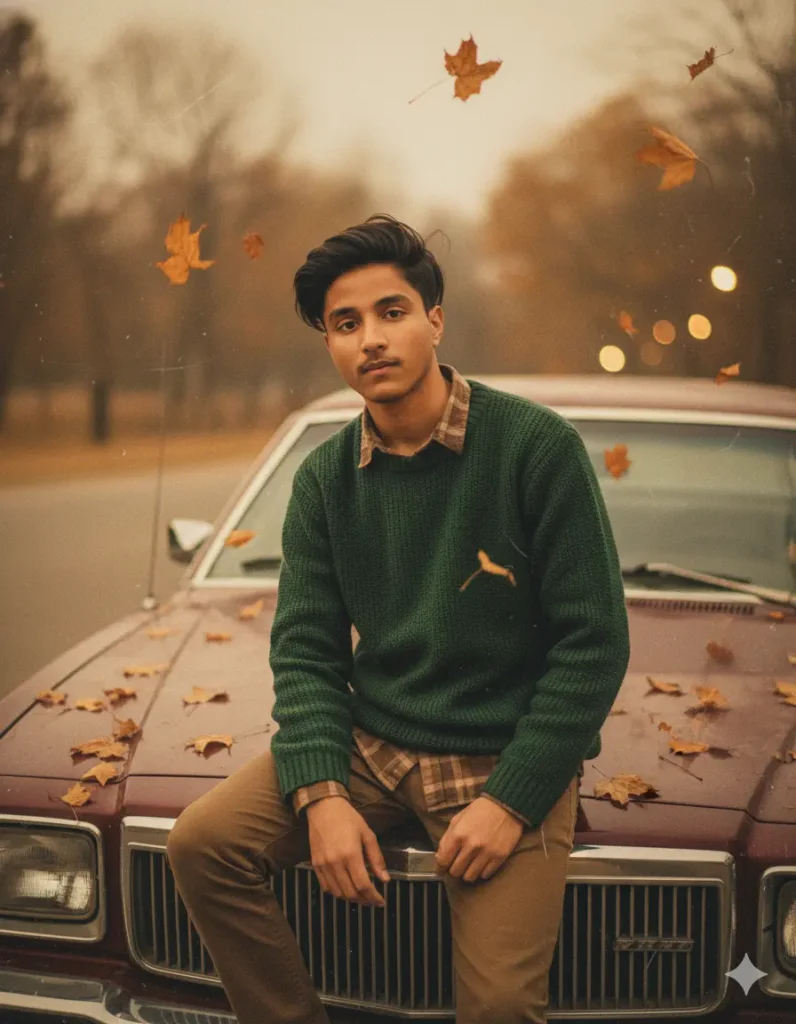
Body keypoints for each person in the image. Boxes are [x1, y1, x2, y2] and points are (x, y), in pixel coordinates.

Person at [167, 213, 631, 1024]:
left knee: (496, 1010)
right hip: (373, 747)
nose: (370, 340)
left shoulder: (534, 448)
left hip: (501, 753)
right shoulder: (323, 482)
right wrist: (321, 795)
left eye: (392, 312)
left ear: (435, 320)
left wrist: (515, 799)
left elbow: (593, 644)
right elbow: (307, 652)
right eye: (346, 325)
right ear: (330, 344)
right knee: (201, 843)